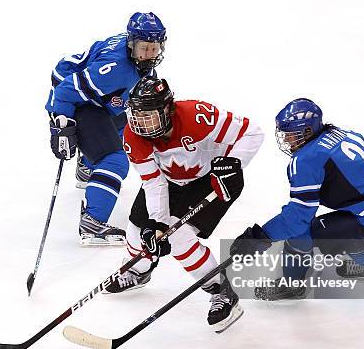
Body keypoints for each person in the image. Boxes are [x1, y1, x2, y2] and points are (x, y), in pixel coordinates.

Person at [104, 76, 265, 333]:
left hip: (212, 181)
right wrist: (157, 223)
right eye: (136, 116)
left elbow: (252, 133)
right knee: (138, 232)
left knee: (179, 237)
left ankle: (220, 290)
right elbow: (153, 182)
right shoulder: (133, 136)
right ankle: (140, 271)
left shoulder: (197, 116)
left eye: (148, 116)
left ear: (168, 109)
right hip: (168, 180)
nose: (140, 124)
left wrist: (233, 164)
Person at [230, 98, 364, 300]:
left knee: (301, 232)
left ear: (307, 132)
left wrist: (258, 237)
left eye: (291, 134)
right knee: (348, 225)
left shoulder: (306, 160)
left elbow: (297, 219)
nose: (287, 139)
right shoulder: (341, 133)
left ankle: (292, 286)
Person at [45, 12, 166, 246]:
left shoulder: (133, 54)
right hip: (76, 100)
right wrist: (61, 126)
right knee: (115, 160)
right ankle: (93, 222)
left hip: (99, 100)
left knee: (123, 121)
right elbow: (64, 92)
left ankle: (88, 167)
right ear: (131, 44)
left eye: (154, 48)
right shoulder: (114, 70)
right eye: (144, 49)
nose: (149, 54)